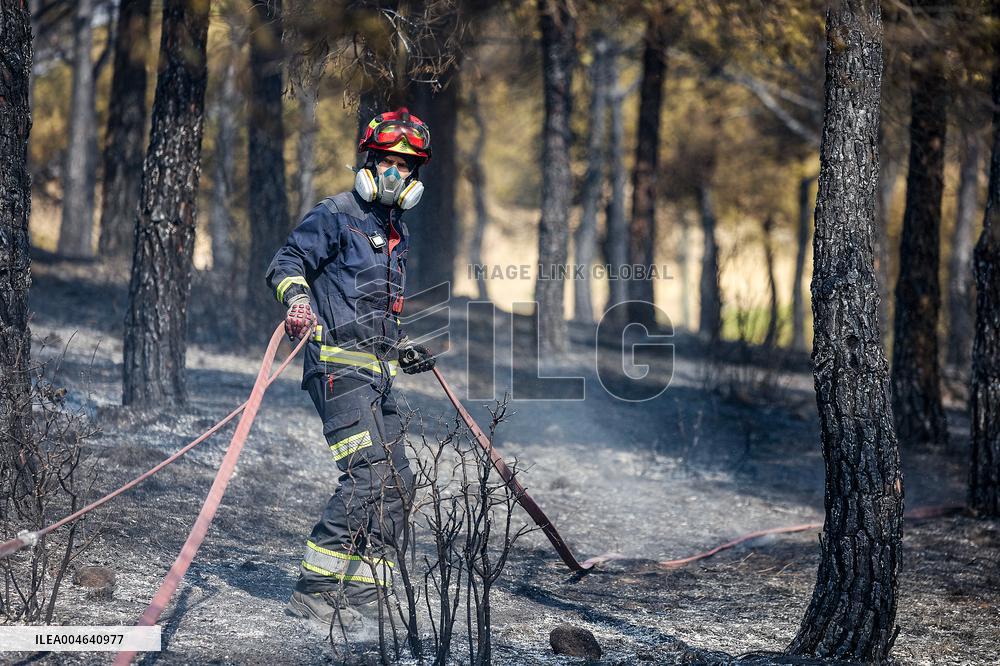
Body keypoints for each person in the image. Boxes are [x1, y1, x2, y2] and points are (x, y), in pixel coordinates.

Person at [266, 108, 437, 629]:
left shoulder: (396, 232)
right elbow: (286, 262)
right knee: (366, 475)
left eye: (405, 166)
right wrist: (297, 302)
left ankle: (365, 592)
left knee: (399, 483)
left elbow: (373, 307)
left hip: (377, 373)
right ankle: (314, 591)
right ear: (368, 162)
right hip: (336, 369)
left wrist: (401, 345)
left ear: (414, 177)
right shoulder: (336, 214)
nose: (395, 173)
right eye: (387, 161)